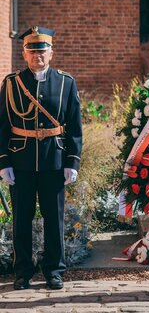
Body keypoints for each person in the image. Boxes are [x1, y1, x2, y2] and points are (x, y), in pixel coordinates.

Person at [0, 26, 82, 290]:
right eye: (32, 51)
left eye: (42, 51)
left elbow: (74, 125)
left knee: (53, 220)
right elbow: (2, 124)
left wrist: (72, 161)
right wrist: (3, 161)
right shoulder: (12, 83)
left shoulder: (66, 83)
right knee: (21, 219)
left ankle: (54, 271)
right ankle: (22, 272)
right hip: (20, 160)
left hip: (54, 161)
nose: (38, 56)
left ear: (51, 53)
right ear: (24, 54)